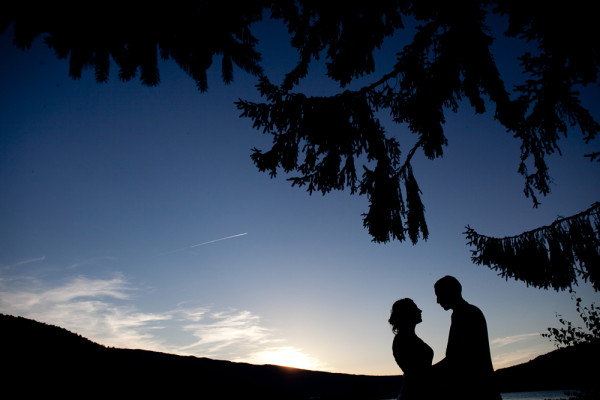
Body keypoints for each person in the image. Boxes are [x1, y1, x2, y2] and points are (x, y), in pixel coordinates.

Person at [433, 275, 501, 400]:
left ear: (449, 292)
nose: (437, 301)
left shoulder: (465, 314)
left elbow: (457, 357)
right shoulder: (467, 312)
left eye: (439, 295)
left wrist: (427, 372)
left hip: (476, 389)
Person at [388, 298, 434, 400]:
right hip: (414, 395)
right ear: (407, 313)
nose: (420, 310)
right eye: (415, 308)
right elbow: (418, 372)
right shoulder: (403, 340)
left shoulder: (409, 337)